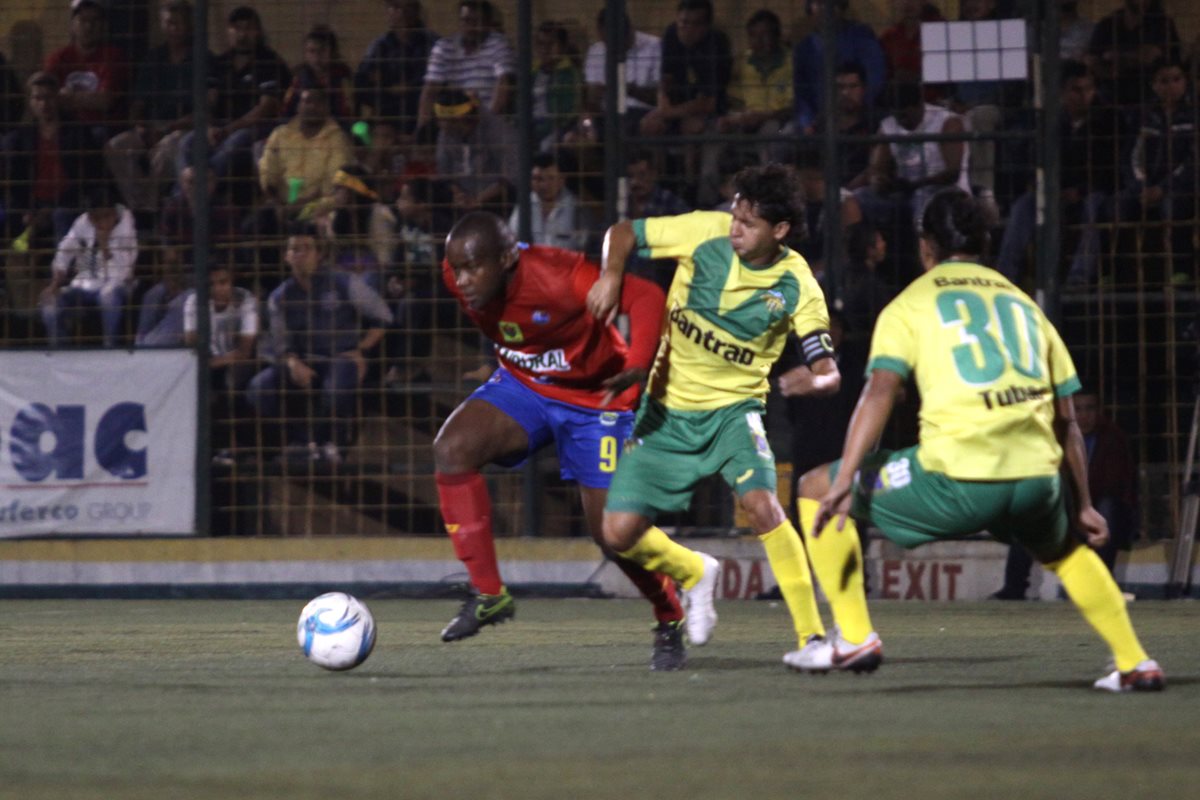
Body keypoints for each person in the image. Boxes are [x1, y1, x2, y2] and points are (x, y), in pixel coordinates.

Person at [794, 188, 1164, 692]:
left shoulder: (912, 304)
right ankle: (1135, 661)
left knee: (815, 486)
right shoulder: (1025, 305)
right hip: (1036, 479)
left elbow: (880, 392)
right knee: (1064, 550)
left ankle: (854, 636)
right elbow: (1068, 420)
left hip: (958, 478)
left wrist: (847, 476)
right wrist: (1081, 502)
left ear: (927, 247)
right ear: (984, 243)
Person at [585, 163, 844, 663]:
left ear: (781, 230)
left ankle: (813, 638)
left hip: (735, 413)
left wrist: (817, 380)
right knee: (616, 534)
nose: (734, 228)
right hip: (667, 411)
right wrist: (612, 276)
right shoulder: (704, 232)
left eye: (748, 223)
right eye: (734, 215)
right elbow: (621, 233)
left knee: (764, 505)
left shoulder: (797, 284)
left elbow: (828, 367)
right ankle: (695, 571)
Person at [434, 211, 690, 670]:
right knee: (452, 450)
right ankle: (489, 594)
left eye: (475, 267)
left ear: (509, 258)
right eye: (457, 267)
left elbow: (648, 296)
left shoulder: (562, 276)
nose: (463, 279)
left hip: (598, 400)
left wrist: (636, 362)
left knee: (612, 534)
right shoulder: (456, 277)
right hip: (526, 386)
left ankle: (670, 615)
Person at [245, 223, 392, 463]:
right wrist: (293, 363)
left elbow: (382, 317)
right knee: (259, 388)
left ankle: (332, 442)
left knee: (336, 386)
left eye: (306, 248)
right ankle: (302, 441)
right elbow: (281, 344)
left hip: (342, 357)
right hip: (305, 359)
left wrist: (361, 349)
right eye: (294, 249)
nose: (300, 255)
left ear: (319, 254)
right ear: (286, 256)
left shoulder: (344, 282)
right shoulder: (280, 297)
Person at [994, 386, 1138, 599]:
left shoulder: (1111, 438)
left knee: (1109, 507)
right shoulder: (1055, 435)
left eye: (1089, 408)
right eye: (1077, 409)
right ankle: (1013, 589)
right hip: (1063, 508)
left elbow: (1115, 485)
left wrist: (1084, 506)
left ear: (1099, 411)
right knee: (1027, 515)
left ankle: (1100, 586)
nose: (1084, 415)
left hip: (1095, 511)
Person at [104, 0, 205, 214]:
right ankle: (137, 206)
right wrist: (140, 126)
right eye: (169, 23)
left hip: (184, 128)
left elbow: (205, 111)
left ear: (190, 25)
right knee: (118, 145)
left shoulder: (203, 58)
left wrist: (168, 128)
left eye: (179, 23)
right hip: (152, 126)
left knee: (167, 148)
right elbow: (138, 103)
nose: (174, 28)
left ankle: (149, 211)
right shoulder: (154, 58)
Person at [41, 187, 138, 348]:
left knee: (108, 297)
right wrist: (56, 279)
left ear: (113, 213)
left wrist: (105, 245)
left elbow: (126, 269)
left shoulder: (126, 223)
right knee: (50, 304)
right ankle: (60, 350)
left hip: (115, 282)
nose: (100, 222)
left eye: (105, 216)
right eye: (96, 218)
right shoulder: (83, 222)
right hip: (86, 280)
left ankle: (110, 347)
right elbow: (65, 249)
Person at [185, 260, 259, 461]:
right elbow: (190, 347)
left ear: (231, 282)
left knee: (226, 379)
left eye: (223, 282)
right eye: (211, 284)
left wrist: (212, 363)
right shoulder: (194, 301)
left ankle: (234, 447)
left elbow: (245, 351)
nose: (217, 288)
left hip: (240, 362)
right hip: (211, 360)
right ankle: (213, 449)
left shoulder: (245, 300)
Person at [416, 0, 515, 132]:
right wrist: (422, 129)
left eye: (476, 22)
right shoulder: (445, 47)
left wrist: (488, 124)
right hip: (452, 121)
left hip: (487, 121)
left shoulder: (499, 44)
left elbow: (504, 84)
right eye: (466, 21)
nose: (470, 27)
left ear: (487, 23)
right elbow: (430, 91)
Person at [44, 0, 129, 138]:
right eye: (83, 20)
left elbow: (105, 101)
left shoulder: (113, 56)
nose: (89, 26)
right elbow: (47, 98)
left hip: (101, 128)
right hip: (65, 128)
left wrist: (67, 97)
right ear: (72, 24)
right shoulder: (58, 58)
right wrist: (90, 99)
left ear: (103, 25)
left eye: (95, 20)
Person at [354, 0, 439, 135]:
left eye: (407, 7)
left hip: (423, 119)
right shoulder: (380, 45)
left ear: (416, 10)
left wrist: (404, 88)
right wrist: (390, 90)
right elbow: (362, 83)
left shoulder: (433, 43)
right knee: (358, 131)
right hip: (386, 116)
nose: (402, 13)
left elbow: (430, 85)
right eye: (395, 7)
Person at [507, 151, 594, 252]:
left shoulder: (576, 207)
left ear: (562, 180)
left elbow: (584, 246)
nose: (544, 185)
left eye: (551, 178)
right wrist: (530, 249)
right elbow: (513, 242)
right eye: (538, 179)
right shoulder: (524, 206)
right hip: (532, 264)